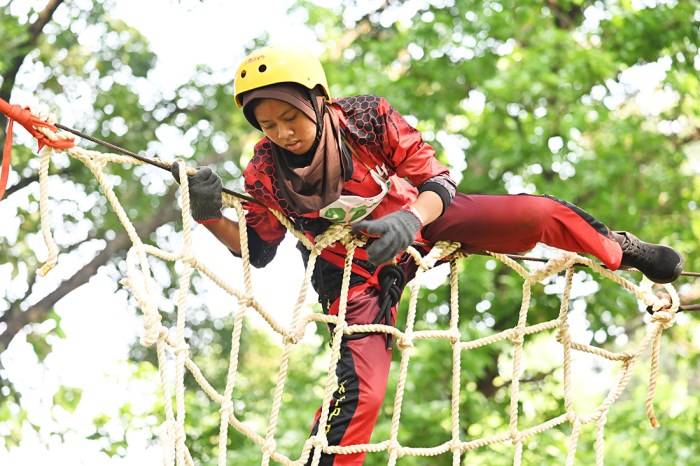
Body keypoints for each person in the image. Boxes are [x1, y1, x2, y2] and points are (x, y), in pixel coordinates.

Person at [171, 45, 684, 465]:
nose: (283, 133)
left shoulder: (365, 118)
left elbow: (435, 178)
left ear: (319, 100)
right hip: (350, 274)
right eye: (267, 125)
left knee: (538, 214)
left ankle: (620, 249)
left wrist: (411, 218)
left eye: (290, 116)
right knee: (362, 395)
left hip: (424, 216)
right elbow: (256, 248)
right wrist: (209, 213)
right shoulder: (264, 171)